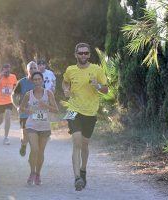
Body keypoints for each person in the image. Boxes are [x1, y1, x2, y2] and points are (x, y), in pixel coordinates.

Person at [62, 43, 108, 191]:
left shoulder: (97, 70)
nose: (83, 56)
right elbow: (65, 81)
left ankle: (83, 170)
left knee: (84, 145)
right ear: (75, 54)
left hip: (90, 112)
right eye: (80, 53)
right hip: (73, 110)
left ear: (89, 55)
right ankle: (77, 178)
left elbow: (106, 90)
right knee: (76, 142)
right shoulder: (70, 70)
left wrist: (98, 86)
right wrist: (66, 89)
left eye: (86, 53)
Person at [20, 72, 58, 185]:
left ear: (42, 80)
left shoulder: (49, 93)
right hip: (32, 125)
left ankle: (38, 174)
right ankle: (32, 172)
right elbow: (21, 108)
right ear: (32, 81)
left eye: (39, 79)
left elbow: (56, 109)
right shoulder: (28, 94)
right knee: (34, 150)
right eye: (35, 79)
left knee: (41, 152)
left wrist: (46, 106)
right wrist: (28, 111)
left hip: (45, 126)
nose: (37, 81)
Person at [11, 61, 38, 156]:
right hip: (24, 113)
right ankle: (23, 144)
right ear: (27, 71)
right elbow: (13, 95)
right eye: (31, 68)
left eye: (35, 68)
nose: (33, 70)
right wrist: (17, 106)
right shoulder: (22, 82)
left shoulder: (40, 82)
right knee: (25, 137)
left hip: (37, 113)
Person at [0, 63, 17, 145]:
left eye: (8, 69)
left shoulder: (13, 77)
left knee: (8, 115)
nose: (7, 71)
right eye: (5, 69)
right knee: (0, 120)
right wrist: (0, 77)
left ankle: (6, 137)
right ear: (2, 70)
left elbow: (16, 88)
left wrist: (17, 95)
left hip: (9, 101)